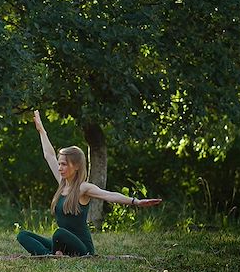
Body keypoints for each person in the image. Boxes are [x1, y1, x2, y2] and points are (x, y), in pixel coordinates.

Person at [16, 110, 163, 256]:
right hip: (61, 242)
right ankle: (50, 255)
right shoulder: (62, 183)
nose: (60, 168)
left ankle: (54, 254)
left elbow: (108, 195)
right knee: (23, 235)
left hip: (82, 247)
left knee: (59, 234)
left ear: (76, 166)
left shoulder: (83, 188)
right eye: (59, 164)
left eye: (64, 164)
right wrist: (42, 130)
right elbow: (49, 155)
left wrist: (135, 202)